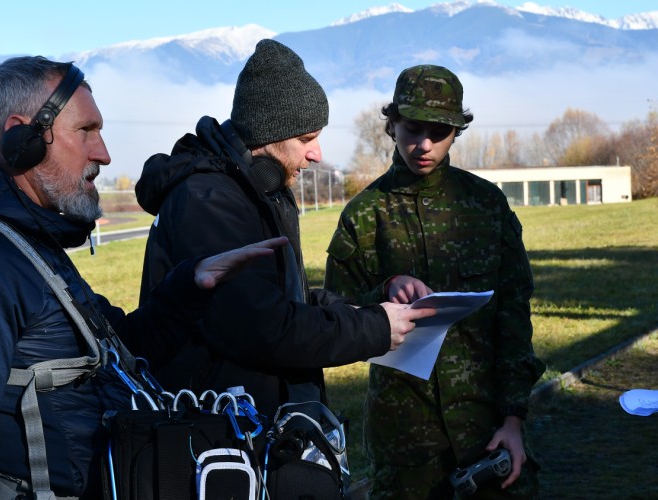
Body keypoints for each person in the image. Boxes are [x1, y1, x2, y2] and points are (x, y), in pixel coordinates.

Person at [0, 56, 288, 498]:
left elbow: (117, 348)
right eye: (85, 131)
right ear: (23, 137)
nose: (103, 153)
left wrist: (190, 286)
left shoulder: (29, 243)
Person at [136, 39, 435, 420]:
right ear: (266, 133)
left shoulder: (264, 190)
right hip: (217, 437)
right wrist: (373, 329)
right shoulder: (207, 200)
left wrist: (370, 308)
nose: (317, 154)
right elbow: (261, 327)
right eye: (306, 139)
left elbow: (287, 299)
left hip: (260, 429)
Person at [324, 65, 546, 499]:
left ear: (457, 132)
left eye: (439, 131)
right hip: (406, 444)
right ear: (391, 125)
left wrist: (514, 419)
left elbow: (514, 318)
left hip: (488, 432)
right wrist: (383, 293)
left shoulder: (486, 206)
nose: (423, 144)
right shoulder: (364, 214)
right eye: (412, 128)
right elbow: (335, 315)